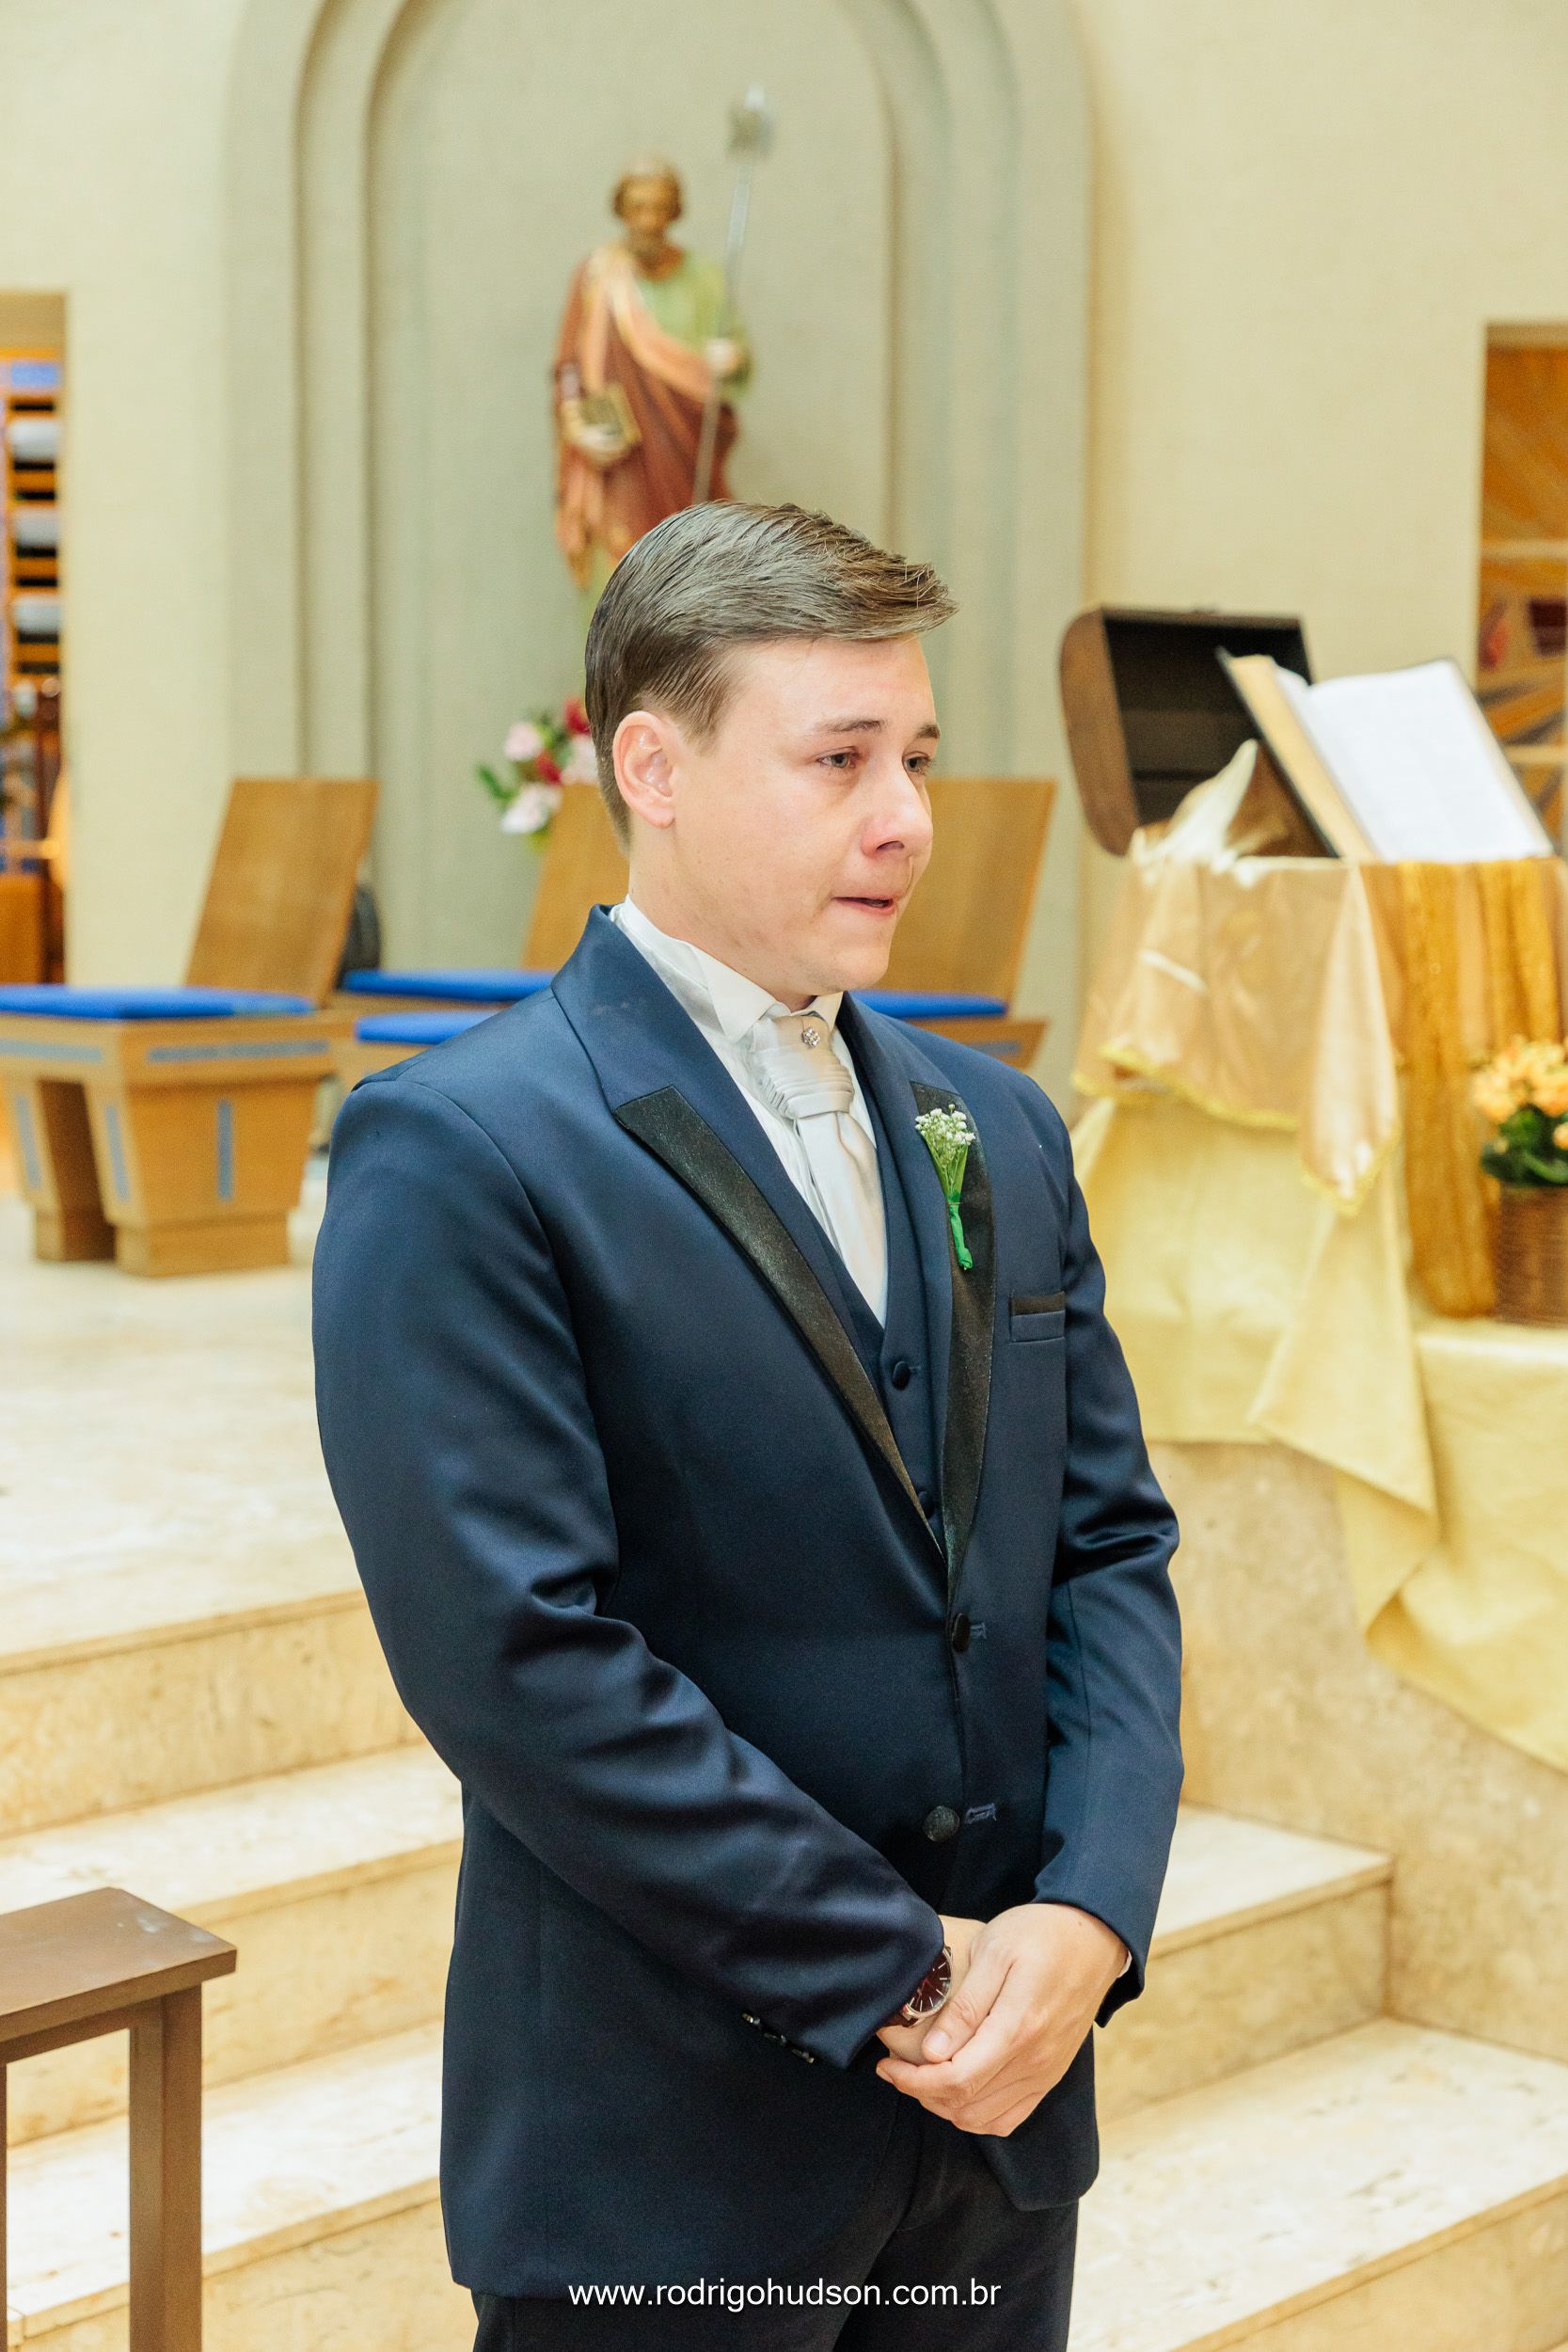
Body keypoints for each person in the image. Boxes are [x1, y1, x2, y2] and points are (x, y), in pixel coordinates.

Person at [312, 501, 1183, 2349]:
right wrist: (900, 1972)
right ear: (655, 764)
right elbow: (520, 1657)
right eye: (838, 757)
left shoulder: (998, 1129)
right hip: (670, 2152)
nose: (906, 817)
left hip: (1000, 2139)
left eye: (919, 756)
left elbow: (1103, 1542)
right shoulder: (467, 1149)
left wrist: (1088, 1913)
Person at [553, 156, 750, 619]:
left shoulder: (703, 280)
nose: (647, 221)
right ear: (620, 211)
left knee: (688, 585)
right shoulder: (596, 279)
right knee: (615, 586)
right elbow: (569, 367)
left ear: (674, 212)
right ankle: (606, 692)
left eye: (659, 208)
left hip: (683, 454)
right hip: (619, 462)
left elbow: (735, 361)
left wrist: (729, 360)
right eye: (637, 208)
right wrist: (577, 427)